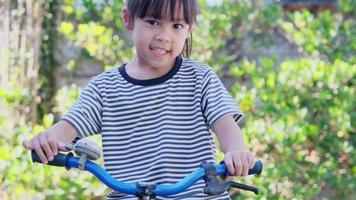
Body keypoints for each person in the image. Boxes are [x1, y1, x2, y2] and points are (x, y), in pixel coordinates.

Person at [23, 0, 255, 199]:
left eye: (176, 26)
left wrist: (235, 151)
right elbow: (66, 129)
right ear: (129, 19)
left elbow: (226, 126)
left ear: (188, 29)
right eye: (153, 22)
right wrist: (49, 139)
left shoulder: (199, 78)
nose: (164, 36)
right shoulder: (105, 88)